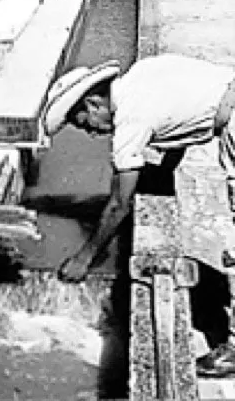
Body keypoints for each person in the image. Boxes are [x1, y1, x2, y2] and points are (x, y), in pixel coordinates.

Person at [42, 53, 235, 376]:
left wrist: (84, 258)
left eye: (83, 123)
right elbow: (179, 120)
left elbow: (119, 203)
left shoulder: (129, 121)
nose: (90, 133)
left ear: (93, 104)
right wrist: (162, 172)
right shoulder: (144, 72)